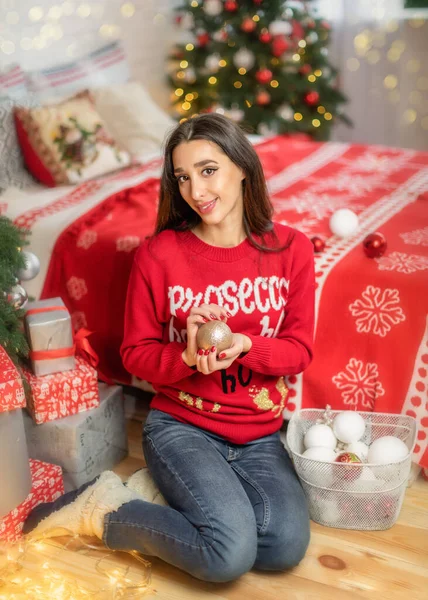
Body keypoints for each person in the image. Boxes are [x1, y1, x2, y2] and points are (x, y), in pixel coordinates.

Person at [24, 113, 315, 583]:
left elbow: (299, 351)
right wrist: (183, 355)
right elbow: (135, 355)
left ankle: (166, 499)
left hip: (258, 433)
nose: (196, 191)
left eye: (208, 170)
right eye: (182, 178)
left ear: (242, 166)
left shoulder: (292, 250)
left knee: (284, 547)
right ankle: (104, 508)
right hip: (183, 426)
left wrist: (244, 344)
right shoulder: (159, 254)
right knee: (227, 556)